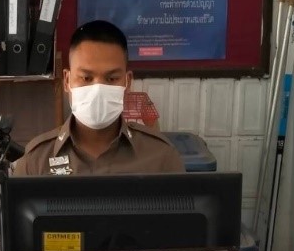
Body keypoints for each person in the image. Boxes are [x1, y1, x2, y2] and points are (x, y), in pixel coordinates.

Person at [16, 20, 185, 176]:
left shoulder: (161, 157)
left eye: (111, 79)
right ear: (67, 81)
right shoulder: (35, 162)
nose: (98, 89)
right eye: (86, 78)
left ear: (127, 82)